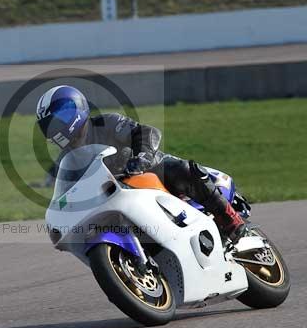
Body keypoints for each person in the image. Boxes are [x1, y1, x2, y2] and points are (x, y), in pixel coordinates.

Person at [36, 85, 247, 243]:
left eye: (60, 118)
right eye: (49, 124)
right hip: (117, 197)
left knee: (183, 170)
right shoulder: (68, 159)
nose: (56, 127)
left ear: (77, 109)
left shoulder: (105, 123)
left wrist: (141, 158)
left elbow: (146, 132)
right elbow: (68, 192)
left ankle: (230, 219)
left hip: (150, 172)